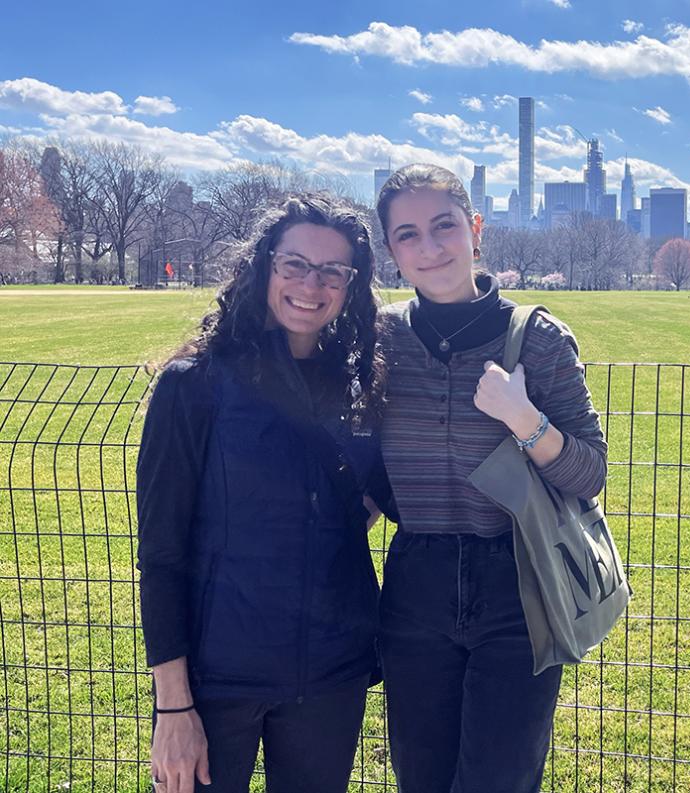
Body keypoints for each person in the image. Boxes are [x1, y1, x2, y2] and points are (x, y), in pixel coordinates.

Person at [136, 194, 394, 793]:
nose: (313, 284)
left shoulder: (360, 386)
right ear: (265, 266)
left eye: (334, 271)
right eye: (295, 264)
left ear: (352, 286)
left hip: (331, 674)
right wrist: (173, 708)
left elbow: (386, 487)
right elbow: (161, 555)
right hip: (215, 680)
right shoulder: (194, 385)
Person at [375, 163, 608, 793]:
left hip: (519, 582)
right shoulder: (379, 340)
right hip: (415, 584)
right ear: (391, 252)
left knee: (499, 779)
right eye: (408, 235)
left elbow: (590, 473)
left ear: (475, 229)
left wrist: (524, 420)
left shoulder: (537, 338)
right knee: (421, 777)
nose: (431, 247)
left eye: (444, 226)